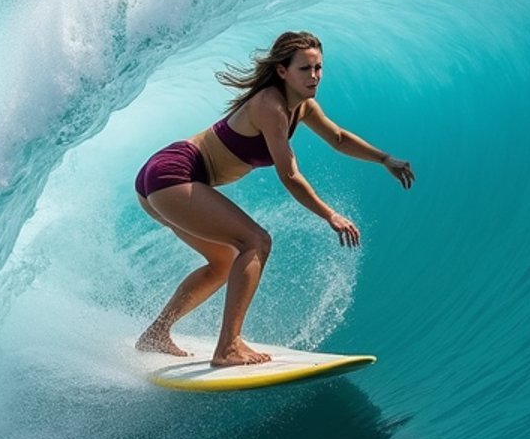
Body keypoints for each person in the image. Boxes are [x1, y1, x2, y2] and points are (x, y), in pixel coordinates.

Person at [134, 30, 415, 367]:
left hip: (160, 181)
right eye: (305, 69)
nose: (314, 77)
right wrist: (330, 215)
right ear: (282, 71)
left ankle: (156, 334)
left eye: (318, 68)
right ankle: (228, 348)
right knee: (256, 241)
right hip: (172, 174)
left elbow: (338, 138)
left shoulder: (303, 106)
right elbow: (290, 176)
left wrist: (384, 159)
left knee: (223, 262)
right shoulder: (270, 105)